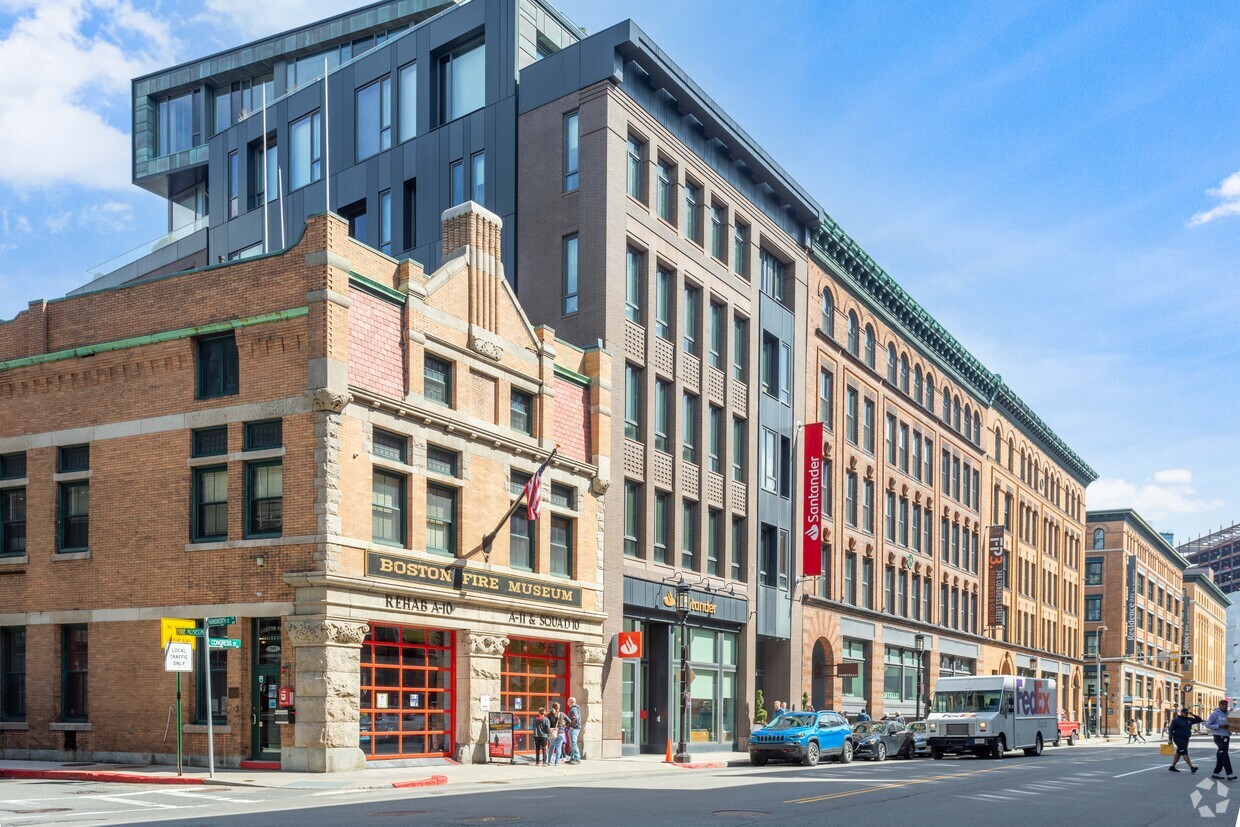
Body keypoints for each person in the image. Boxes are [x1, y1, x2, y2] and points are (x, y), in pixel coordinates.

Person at [1206, 699, 1236, 780]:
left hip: (1226, 736)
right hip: (1218, 736)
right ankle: (1229, 774)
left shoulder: (1228, 713)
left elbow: (1233, 722)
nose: (1224, 706)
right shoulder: (1215, 714)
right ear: (1219, 705)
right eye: (1222, 705)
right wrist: (1219, 726)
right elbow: (1208, 725)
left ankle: (1216, 772)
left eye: (1225, 705)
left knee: (1221, 754)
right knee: (1224, 754)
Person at [1169, 707, 1203, 773]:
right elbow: (1171, 730)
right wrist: (1170, 739)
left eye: (1187, 713)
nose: (1185, 714)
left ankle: (1172, 766)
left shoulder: (1189, 719)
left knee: (1179, 752)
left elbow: (1199, 720)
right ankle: (1192, 767)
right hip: (1178, 738)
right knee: (1184, 752)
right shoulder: (1176, 720)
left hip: (1186, 739)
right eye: (1184, 713)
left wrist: (1193, 715)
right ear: (1181, 713)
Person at [566, 696, 583, 764]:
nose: (567, 702)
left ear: (571, 702)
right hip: (575, 728)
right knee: (572, 744)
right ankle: (572, 758)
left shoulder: (574, 709)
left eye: (568, 701)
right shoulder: (575, 709)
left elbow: (575, 718)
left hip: (574, 728)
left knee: (573, 743)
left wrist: (571, 726)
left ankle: (577, 758)